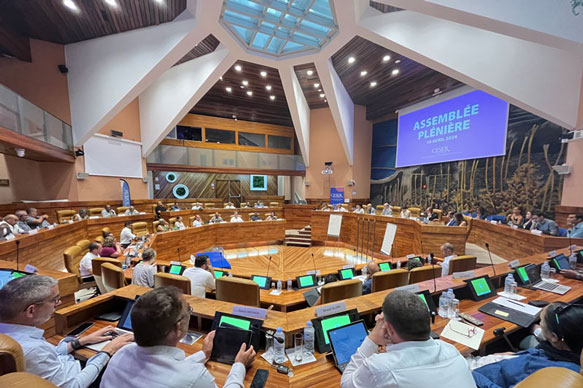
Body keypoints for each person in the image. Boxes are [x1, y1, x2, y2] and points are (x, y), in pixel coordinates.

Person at [100, 286, 255, 388]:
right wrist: (239, 365)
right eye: (189, 311)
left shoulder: (121, 353)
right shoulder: (194, 378)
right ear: (178, 327)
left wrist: (203, 355)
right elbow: (177, 373)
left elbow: (164, 367)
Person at [0, 275, 133, 388]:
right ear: (31, 310)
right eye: (55, 300)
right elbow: (74, 385)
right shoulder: (34, 350)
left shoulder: (10, 333)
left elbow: (51, 356)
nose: (59, 303)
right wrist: (107, 351)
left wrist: (80, 342)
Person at [340, 290, 476, 388]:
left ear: (389, 328)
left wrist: (373, 339)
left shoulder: (378, 368)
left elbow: (346, 383)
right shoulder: (451, 350)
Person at [472, 302, 583, 388]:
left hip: (478, 377)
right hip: (503, 364)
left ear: (554, 337)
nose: (540, 325)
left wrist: (472, 376)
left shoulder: (555, 374)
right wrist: (514, 355)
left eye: (542, 323)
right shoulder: (569, 348)